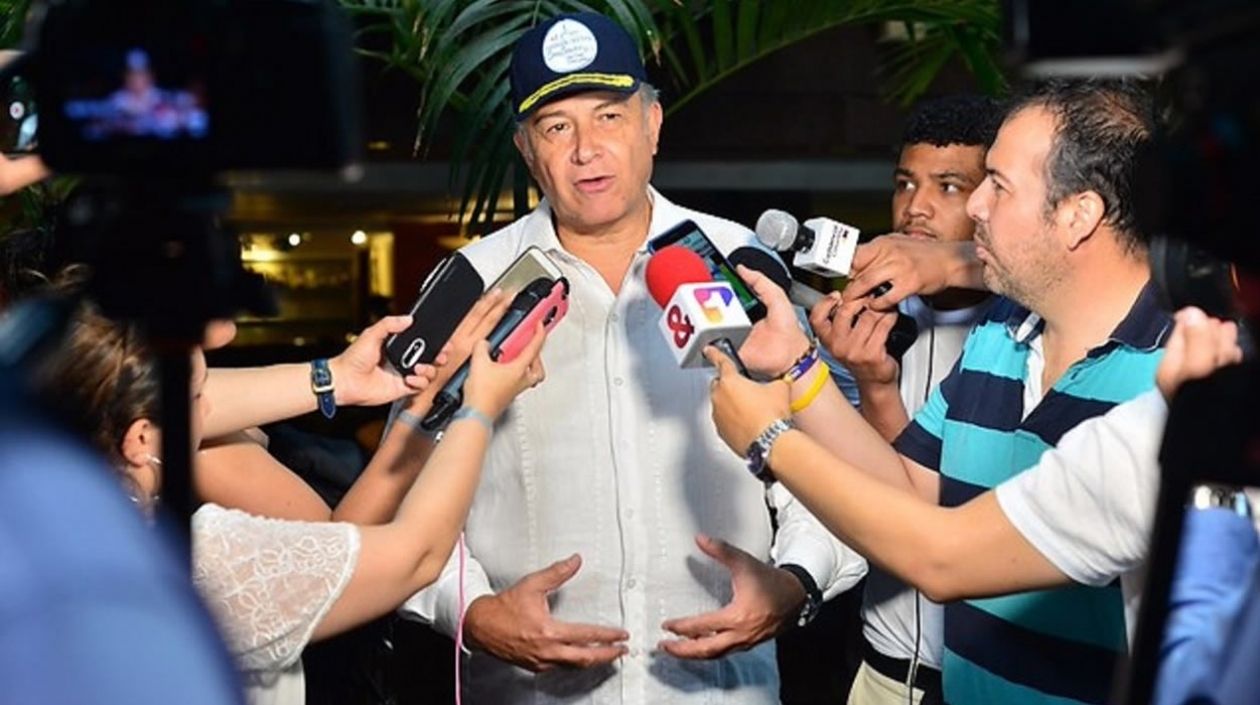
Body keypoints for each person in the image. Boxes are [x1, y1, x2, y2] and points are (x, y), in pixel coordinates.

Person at [398, 11, 864, 705]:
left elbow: (832, 471)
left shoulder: (739, 267)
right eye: (557, 127)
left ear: (652, 124)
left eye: (609, 117)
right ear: (527, 149)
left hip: (720, 692)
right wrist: (471, 612)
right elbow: (399, 492)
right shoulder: (474, 286)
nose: (586, 150)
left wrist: (795, 582)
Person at [708, 77, 1167, 705]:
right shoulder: (1001, 334)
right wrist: (798, 367)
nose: (976, 205)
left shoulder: (1170, 384)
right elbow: (909, 492)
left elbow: (942, 561)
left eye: (998, 184)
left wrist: (771, 438)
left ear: (1077, 215)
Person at [33, 291, 551, 705]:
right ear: (140, 439)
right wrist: (476, 409)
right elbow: (413, 555)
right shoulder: (195, 561)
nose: (211, 407)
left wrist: (365, 388)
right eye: (197, 396)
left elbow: (335, 544)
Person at [820, 94, 1002, 705]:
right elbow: (879, 500)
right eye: (905, 184)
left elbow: (949, 521)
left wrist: (954, 261)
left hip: (986, 683)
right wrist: (870, 383)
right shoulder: (866, 320)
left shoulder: (1027, 328)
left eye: (949, 187)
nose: (915, 207)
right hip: (880, 671)